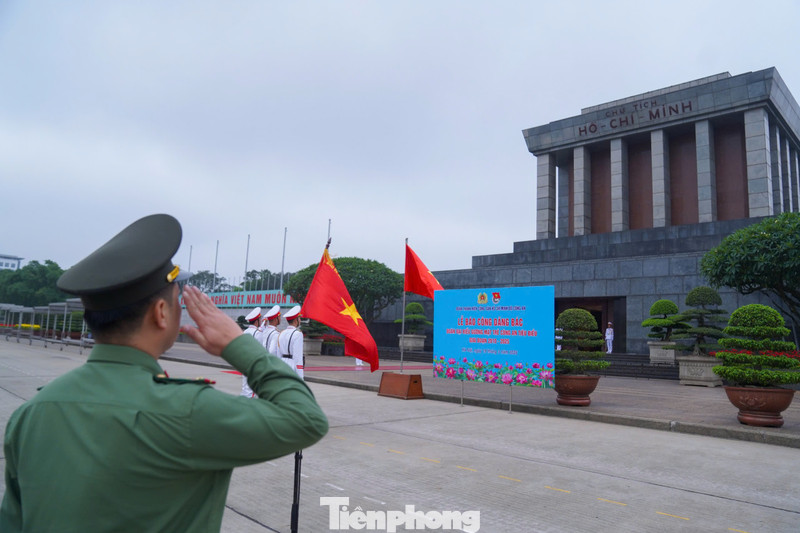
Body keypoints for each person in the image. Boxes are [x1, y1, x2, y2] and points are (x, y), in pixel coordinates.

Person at [0, 214, 328, 533]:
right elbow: (306, 419)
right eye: (176, 301)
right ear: (161, 313)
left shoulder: (30, 415)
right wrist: (237, 344)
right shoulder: (187, 410)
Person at [277, 305, 304, 379]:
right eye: (299, 318)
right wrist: (301, 377)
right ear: (295, 320)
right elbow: (297, 357)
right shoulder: (298, 334)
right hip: (292, 366)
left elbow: (278, 353)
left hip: (282, 365)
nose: (300, 321)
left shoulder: (281, 333)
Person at [240, 306, 262, 397]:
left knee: (246, 387)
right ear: (257, 321)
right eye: (260, 319)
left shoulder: (245, 332)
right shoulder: (258, 333)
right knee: (252, 391)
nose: (261, 321)